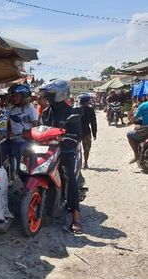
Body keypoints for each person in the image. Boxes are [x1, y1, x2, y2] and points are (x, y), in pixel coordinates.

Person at [40, 79, 83, 234]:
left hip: (66, 150)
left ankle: (75, 217)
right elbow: (41, 129)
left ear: (60, 94)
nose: (47, 97)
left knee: (70, 177)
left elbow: (77, 137)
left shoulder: (73, 113)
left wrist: (64, 140)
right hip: (49, 149)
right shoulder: (46, 112)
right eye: (47, 94)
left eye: (50, 94)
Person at [2, 83, 38, 171]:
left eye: (17, 96)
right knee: (17, 166)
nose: (15, 98)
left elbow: (36, 125)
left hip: (26, 142)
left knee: (26, 167)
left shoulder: (30, 108)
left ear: (23, 96)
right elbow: (9, 123)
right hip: (14, 141)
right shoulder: (12, 109)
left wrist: (28, 134)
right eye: (14, 96)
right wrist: (9, 132)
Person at [77, 93, 97, 169]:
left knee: (77, 149)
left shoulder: (76, 109)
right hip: (86, 132)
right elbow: (93, 123)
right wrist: (94, 133)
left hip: (77, 132)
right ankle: (85, 162)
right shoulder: (91, 110)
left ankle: (78, 163)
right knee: (87, 148)